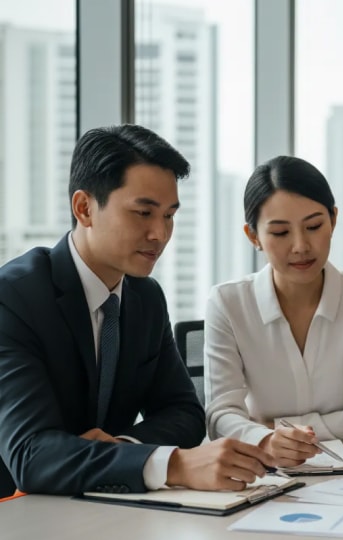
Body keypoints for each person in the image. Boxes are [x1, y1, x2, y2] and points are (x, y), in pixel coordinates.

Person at [0, 124, 273, 497]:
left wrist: (124, 449)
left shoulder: (144, 297)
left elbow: (185, 414)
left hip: (101, 505)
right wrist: (173, 464)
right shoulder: (15, 298)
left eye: (169, 216)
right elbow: (31, 456)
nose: (160, 234)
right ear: (84, 208)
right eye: (143, 213)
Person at [205, 155, 343, 467]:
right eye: (280, 233)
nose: (300, 246)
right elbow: (220, 416)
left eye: (314, 226)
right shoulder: (228, 302)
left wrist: (273, 427)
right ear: (253, 236)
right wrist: (267, 440)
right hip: (262, 471)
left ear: (333, 220)